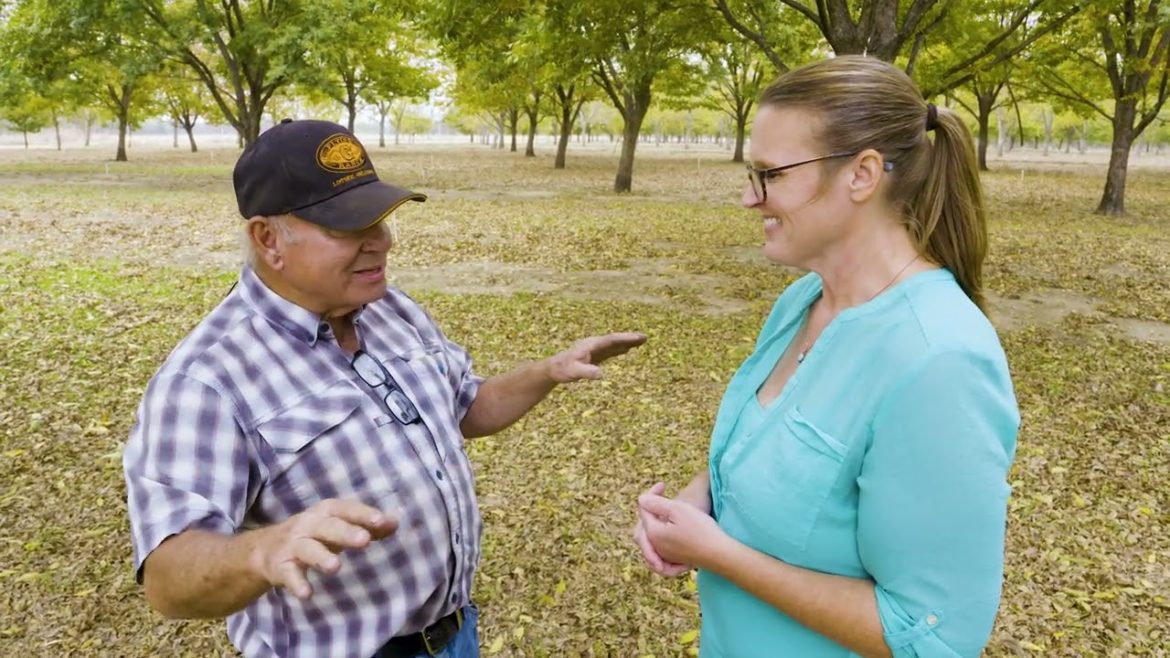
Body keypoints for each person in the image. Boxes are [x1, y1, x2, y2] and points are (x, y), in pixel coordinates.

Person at [123, 119, 645, 658]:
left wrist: (544, 373)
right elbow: (167, 578)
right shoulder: (207, 380)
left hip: (453, 635)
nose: (382, 242)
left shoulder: (391, 310)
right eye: (349, 227)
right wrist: (262, 551)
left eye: (381, 219)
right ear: (268, 239)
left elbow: (465, 406)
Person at [633, 55, 1020, 658]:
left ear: (862, 174)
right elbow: (772, 448)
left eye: (771, 174)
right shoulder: (802, 301)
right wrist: (699, 496)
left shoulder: (940, 361)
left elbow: (933, 637)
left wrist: (718, 553)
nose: (748, 198)